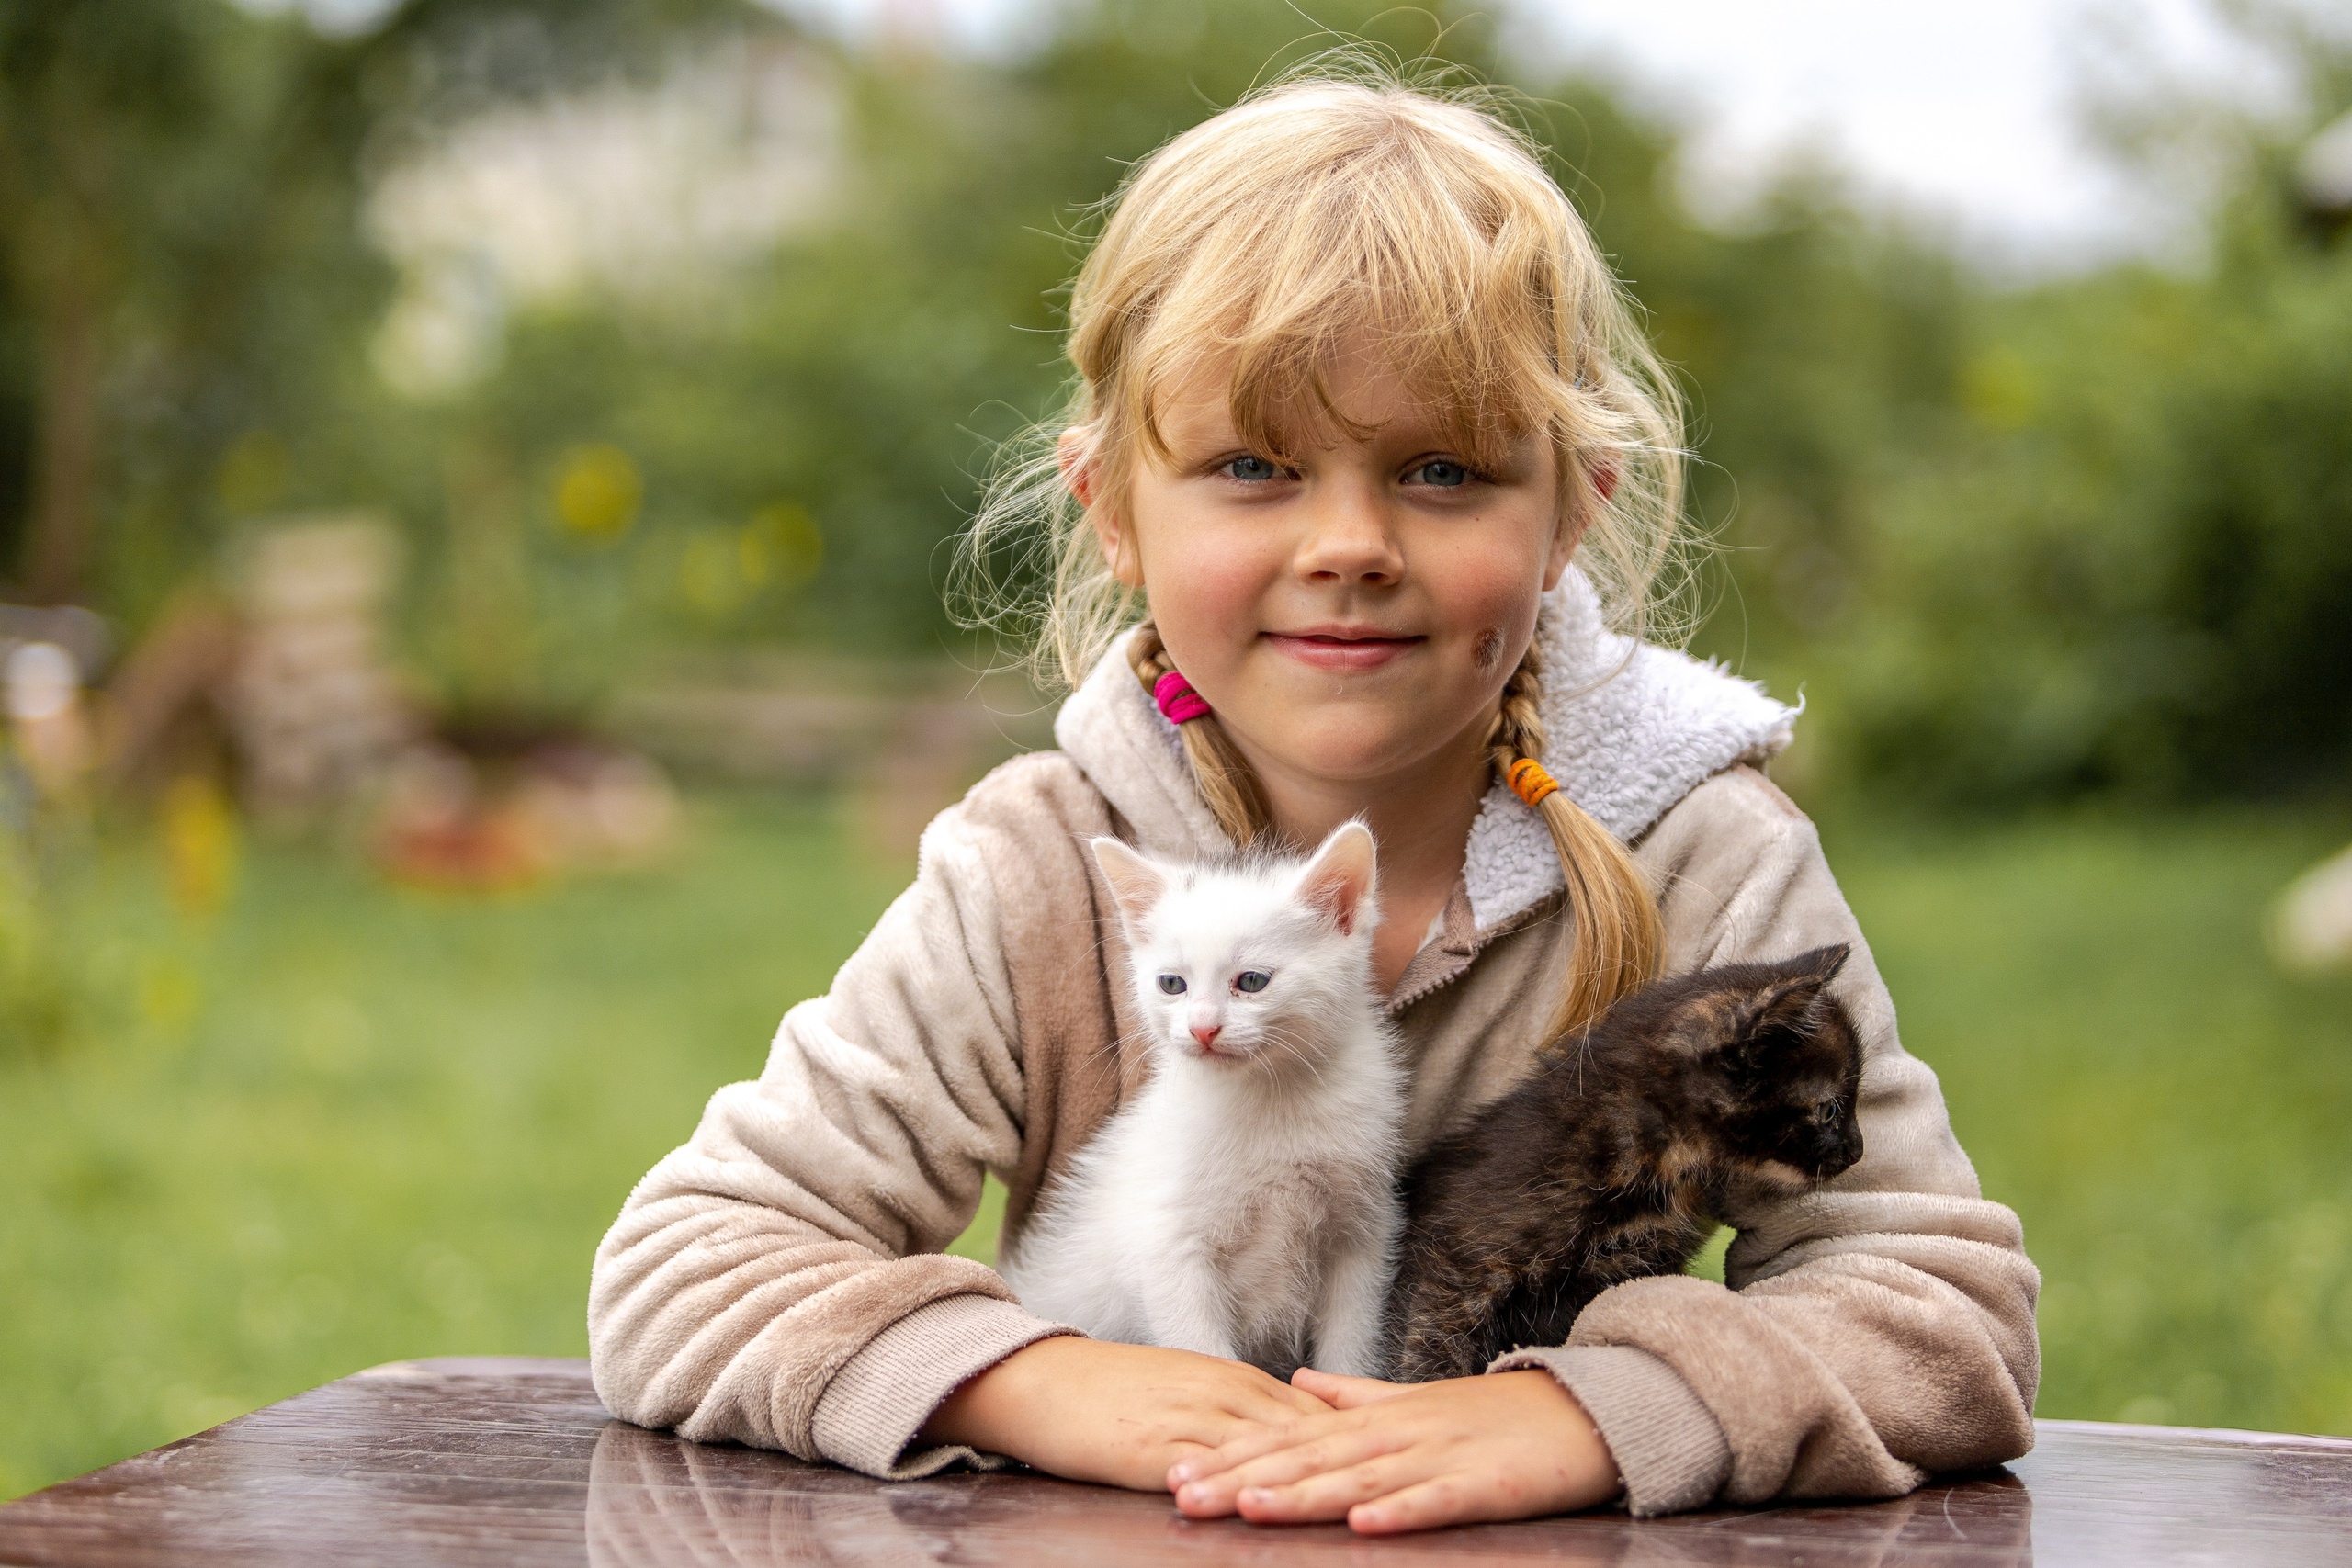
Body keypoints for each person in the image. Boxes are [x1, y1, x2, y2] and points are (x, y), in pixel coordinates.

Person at [587, 69, 2039, 1535]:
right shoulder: (1035, 867)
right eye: (1253, 467)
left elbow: (1941, 1315)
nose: (1349, 543)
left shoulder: (1708, 862)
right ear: (1111, 515)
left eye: (1442, 470)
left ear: (1571, 515)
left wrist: (1584, 1415)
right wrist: (1033, 1383)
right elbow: (689, 1266)